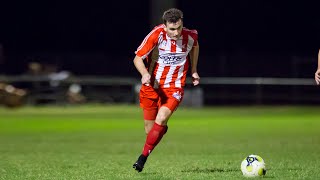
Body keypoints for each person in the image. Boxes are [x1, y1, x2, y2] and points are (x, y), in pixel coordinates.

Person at [132, 8, 200, 172]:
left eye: (179, 28)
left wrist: (194, 70)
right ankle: (160, 130)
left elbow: (195, 48)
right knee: (150, 131)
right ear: (164, 26)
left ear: (182, 23)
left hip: (174, 87)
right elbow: (138, 58)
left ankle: (142, 159)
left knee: (161, 119)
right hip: (152, 87)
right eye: (172, 29)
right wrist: (144, 74)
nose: (176, 33)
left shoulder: (191, 36)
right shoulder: (156, 35)